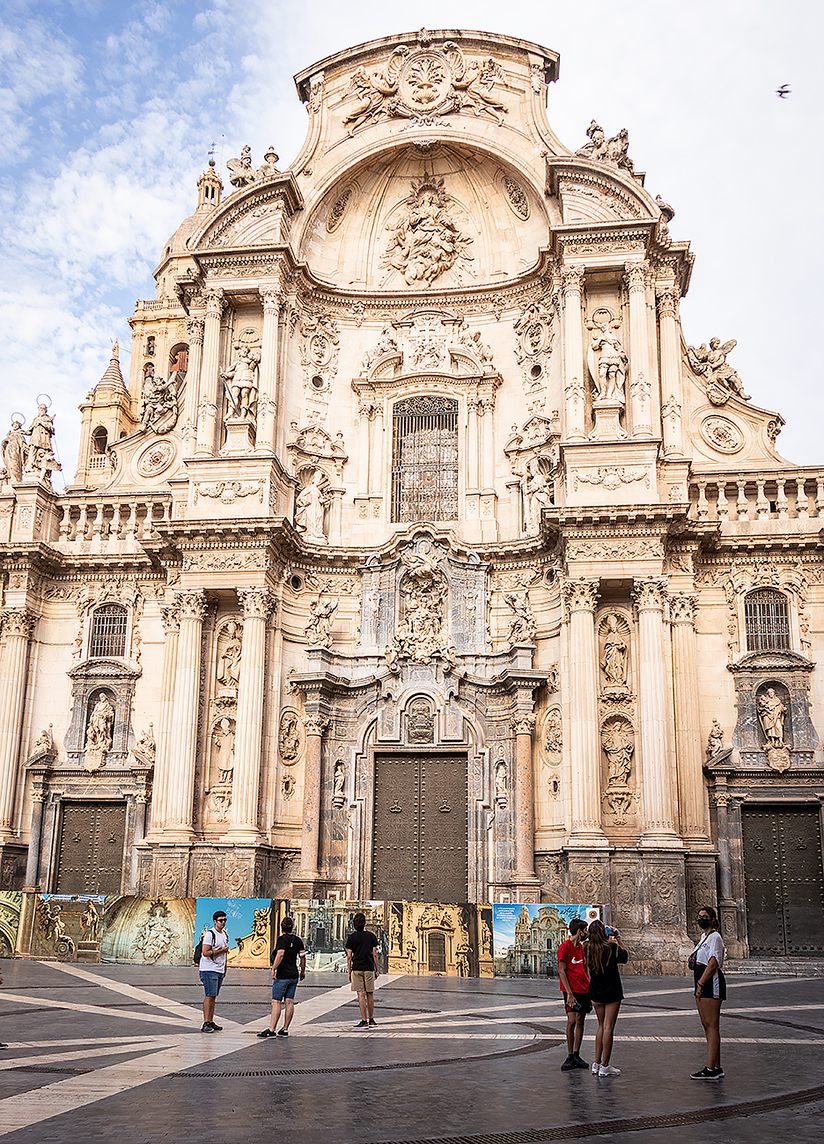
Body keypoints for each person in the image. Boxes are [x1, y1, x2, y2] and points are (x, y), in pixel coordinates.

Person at [585, 920, 628, 1077]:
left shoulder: (587, 948)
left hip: (595, 991)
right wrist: (617, 936)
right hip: (611, 990)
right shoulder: (611, 947)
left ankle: (596, 1063)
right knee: (609, 1027)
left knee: (601, 1026)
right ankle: (605, 1065)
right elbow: (625, 957)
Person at [691, 905, 726, 1080]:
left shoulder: (715, 937)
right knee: (707, 1025)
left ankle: (710, 1069)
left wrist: (701, 983)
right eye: (699, 916)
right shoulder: (704, 937)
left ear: (712, 919)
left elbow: (713, 963)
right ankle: (716, 1066)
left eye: (705, 916)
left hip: (710, 982)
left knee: (712, 1026)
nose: (701, 918)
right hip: (701, 981)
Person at [258, 916, 306, 1038]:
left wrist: (273, 969)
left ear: (281, 927)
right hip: (293, 974)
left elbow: (280, 954)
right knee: (289, 1001)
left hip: (283, 975)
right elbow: (302, 957)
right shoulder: (298, 940)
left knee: (276, 1002)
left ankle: (272, 1029)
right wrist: (303, 971)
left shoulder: (281, 940)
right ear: (292, 927)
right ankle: (285, 1029)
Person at [557, 919, 591, 1071]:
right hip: (571, 990)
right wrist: (569, 993)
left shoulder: (582, 947)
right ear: (579, 931)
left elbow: (586, 968)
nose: (586, 933)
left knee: (580, 1020)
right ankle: (570, 1054)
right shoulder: (565, 947)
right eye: (585, 930)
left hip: (583, 988)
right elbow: (562, 971)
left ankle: (577, 1053)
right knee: (571, 1021)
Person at [345, 911, 380, 1028]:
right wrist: (377, 969)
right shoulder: (371, 936)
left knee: (360, 994)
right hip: (369, 968)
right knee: (370, 994)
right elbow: (375, 954)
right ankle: (371, 1019)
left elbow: (349, 956)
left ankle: (363, 1020)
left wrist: (349, 971)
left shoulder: (352, 937)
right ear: (364, 923)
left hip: (357, 968)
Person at [199, 910, 229, 1033]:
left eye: (225, 920)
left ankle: (211, 1021)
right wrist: (221, 951)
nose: (223, 923)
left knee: (213, 996)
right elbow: (205, 952)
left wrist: (224, 969)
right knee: (209, 995)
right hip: (209, 969)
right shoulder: (210, 934)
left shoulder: (224, 934)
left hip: (219, 969)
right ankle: (205, 1022)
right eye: (221, 920)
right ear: (215, 921)